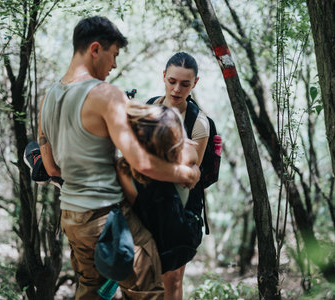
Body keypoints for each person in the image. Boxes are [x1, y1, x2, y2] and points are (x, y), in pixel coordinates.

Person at [37, 16, 200, 300]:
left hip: (72, 219)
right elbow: (143, 162)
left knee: (91, 291)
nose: (114, 65)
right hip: (105, 217)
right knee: (148, 292)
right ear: (96, 49)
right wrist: (186, 175)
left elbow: (51, 167)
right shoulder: (105, 94)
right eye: (113, 55)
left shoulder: (49, 96)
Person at [149, 52, 209, 300]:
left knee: (172, 279)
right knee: (144, 274)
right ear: (164, 76)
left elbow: (191, 175)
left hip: (180, 209)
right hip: (146, 203)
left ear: (195, 83)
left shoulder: (198, 123)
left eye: (185, 84)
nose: (177, 89)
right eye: (172, 81)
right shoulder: (149, 108)